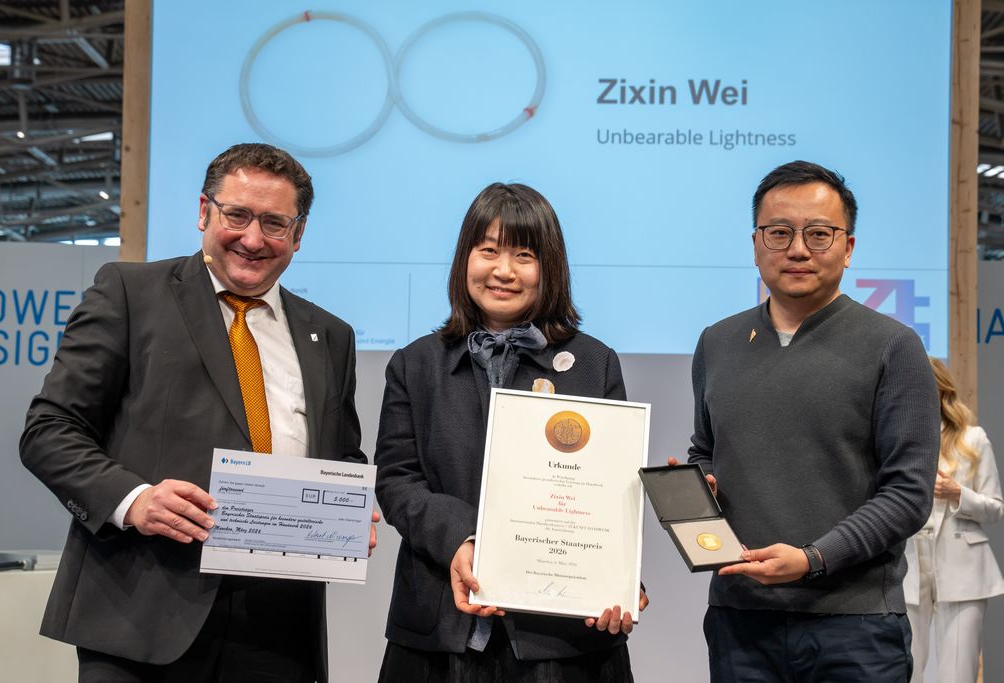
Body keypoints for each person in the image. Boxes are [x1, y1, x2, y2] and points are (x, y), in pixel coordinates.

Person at [19, 143, 373, 682]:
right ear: (204, 212)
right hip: (139, 614)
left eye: (275, 224)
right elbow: (49, 430)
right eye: (237, 215)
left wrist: (349, 508)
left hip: (279, 628)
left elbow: (341, 452)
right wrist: (133, 500)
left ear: (297, 236)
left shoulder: (330, 336)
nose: (253, 239)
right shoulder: (130, 294)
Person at [374, 182, 647, 682]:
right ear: (465, 260)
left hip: (562, 639)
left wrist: (616, 577)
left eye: (524, 255)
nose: (503, 271)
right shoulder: (416, 364)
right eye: (488, 251)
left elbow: (609, 492)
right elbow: (397, 481)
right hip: (439, 628)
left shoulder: (593, 363)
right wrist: (461, 539)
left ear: (551, 269)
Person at [685, 160, 940, 681]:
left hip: (856, 625)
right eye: (779, 233)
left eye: (818, 234)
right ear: (756, 243)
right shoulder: (717, 341)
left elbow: (909, 494)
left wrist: (814, 557)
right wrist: (697, 487)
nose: (797, 249)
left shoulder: (893, 346)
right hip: (739, 619)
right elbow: (705, 451)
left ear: (848, 248)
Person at [904, 357, 1004, 683]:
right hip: (907, 568)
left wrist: (957, 493)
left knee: (958, 675)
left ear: (940, 389)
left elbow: (995, 508)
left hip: (963, 570)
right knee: (904, 670)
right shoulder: (895, 439)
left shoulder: (973, 439)